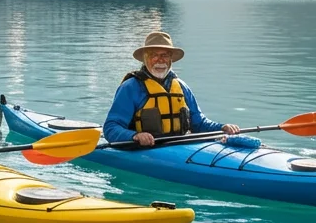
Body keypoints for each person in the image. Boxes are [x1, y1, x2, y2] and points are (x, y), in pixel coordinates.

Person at [103, 31, 241, 148]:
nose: (160, 60)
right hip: (143, 150)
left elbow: (199, 123)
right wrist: (135, 136)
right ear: (145, 59)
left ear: (171, 59)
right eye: (154, 55)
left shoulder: (181, 87)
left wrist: (222, 128)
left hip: (179, 148)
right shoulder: (131, 87)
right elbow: (111, 128)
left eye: (165, 55)